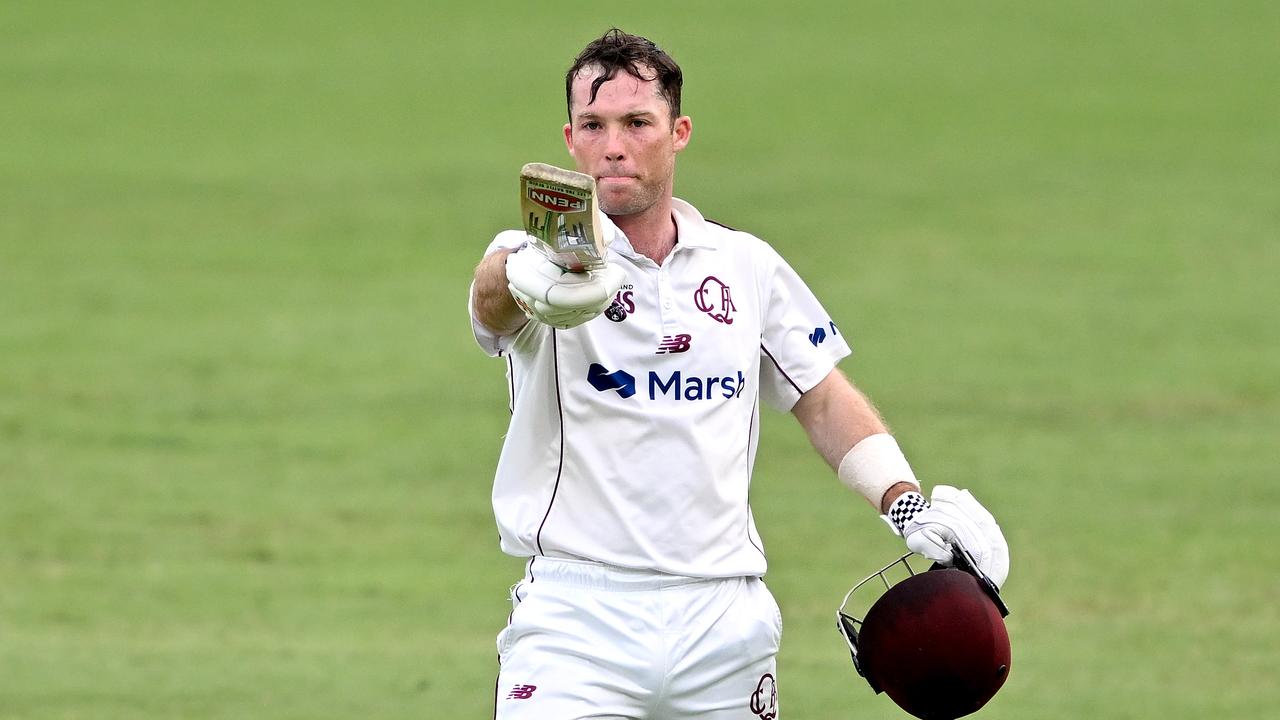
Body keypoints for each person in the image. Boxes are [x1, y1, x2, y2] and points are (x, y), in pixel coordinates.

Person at [468, 28, 1009, 720]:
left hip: (724, 625)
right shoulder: (533, 258)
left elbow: (820, 397)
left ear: (678, 132)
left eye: (637, 123)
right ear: (569, 139)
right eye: (593, 126)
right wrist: (521, 273)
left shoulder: (744, 264)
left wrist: (907, 506)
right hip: (577, 621)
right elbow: (491, 303)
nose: (613, 146)